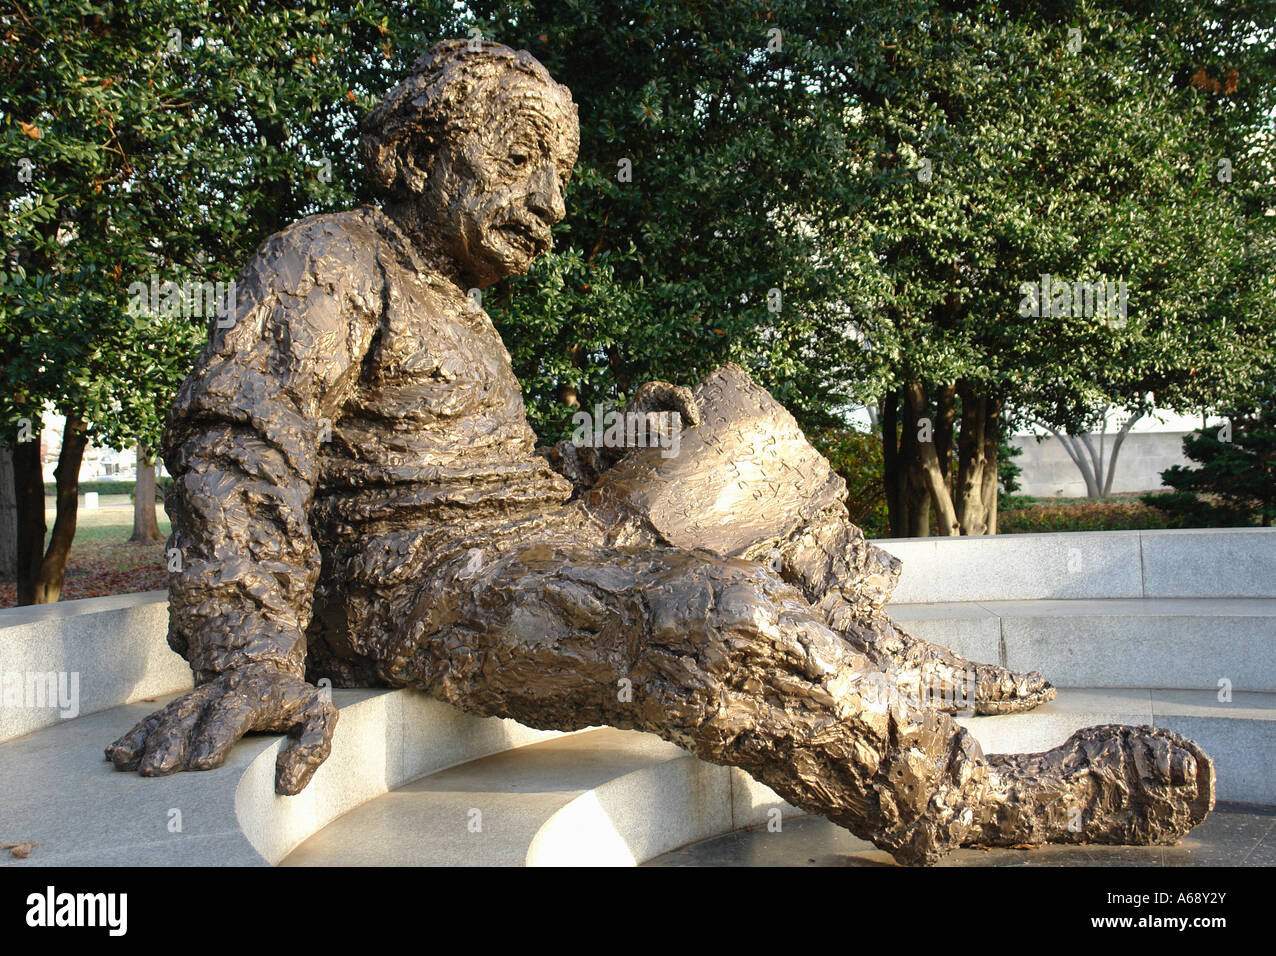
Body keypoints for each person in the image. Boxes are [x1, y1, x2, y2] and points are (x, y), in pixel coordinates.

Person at [106, 38, 1213, 865]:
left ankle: (881, 655)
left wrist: (606, 447)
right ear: (412, 153)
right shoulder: (332, 255)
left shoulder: (457, 297)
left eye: (561, 174)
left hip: (529, 532)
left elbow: (461, 456)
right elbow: (241, 437)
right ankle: (965, 799)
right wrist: (249, 651)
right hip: (429, 586)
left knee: (734, 433)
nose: (547, 200)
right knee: (710, 613)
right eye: (519, 159)